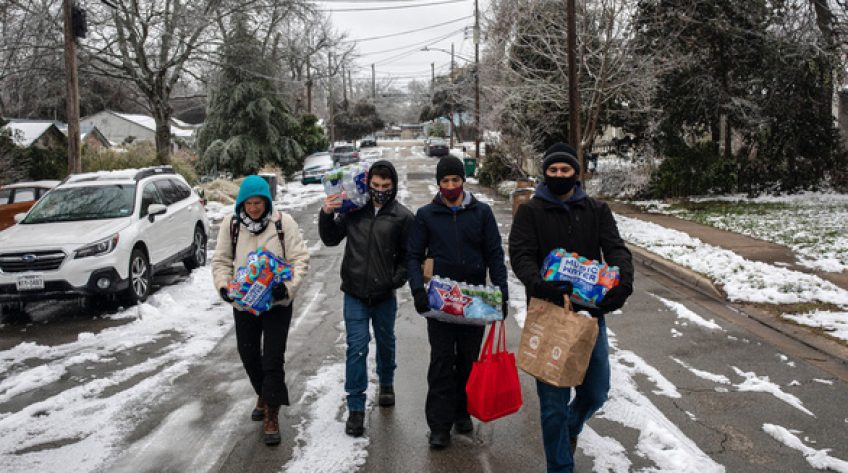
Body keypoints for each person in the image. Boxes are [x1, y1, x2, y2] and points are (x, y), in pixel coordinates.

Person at [508, 142, 634, 473]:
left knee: (595, 392)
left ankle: (572, 427)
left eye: (565, 170)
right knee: (553, 405)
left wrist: (623, 285)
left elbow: (616, 250)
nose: (559, 175)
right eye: (553, 170)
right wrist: (538, 284)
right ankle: (560, 467)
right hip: (549, 314)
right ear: (545, 174)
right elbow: (520, 255)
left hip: (590, 316)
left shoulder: (597, 210)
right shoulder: (531, 212)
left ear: (576, 174)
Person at [407, 155, 509, 449]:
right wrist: (417, 290)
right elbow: (413, 256)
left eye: (455, 180)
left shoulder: (482, 213)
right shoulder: (427, 215)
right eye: (445, 181)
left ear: (463, 181)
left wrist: (501, 292)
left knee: (468, 359)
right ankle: (438, 425)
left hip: (474, 303)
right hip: (440, 303)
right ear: (438, 184)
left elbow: (494, 255)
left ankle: (461, 411)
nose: (451, 186)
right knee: (441, 362)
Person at [318, 160, 414, 437]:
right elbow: (330, 239)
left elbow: (409, 257)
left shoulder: (403, 217)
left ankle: (386, 382)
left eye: (386, 186)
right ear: (367, 184)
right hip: (355, 293)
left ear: (393, 186)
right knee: (356, 348)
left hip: (384, 295)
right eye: (375, 186)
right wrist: (327, 214)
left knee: (386, 342)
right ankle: (356, 408)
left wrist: (394, 280)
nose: (380, 190)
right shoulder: (354, 210)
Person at [212, 175, 310, 446]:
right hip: (245, 304)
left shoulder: (282, 223)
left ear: (267, 202)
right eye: (249, 203)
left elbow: (299, 258)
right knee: (248, 354)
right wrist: (223, 286)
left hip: (277, 303)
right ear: (241, 204)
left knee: (272, 358)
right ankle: (265, 393)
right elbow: (221, 261)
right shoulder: (231, 226)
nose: (254, 208)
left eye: (259, 203)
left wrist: (286, 288)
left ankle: (272, 415)